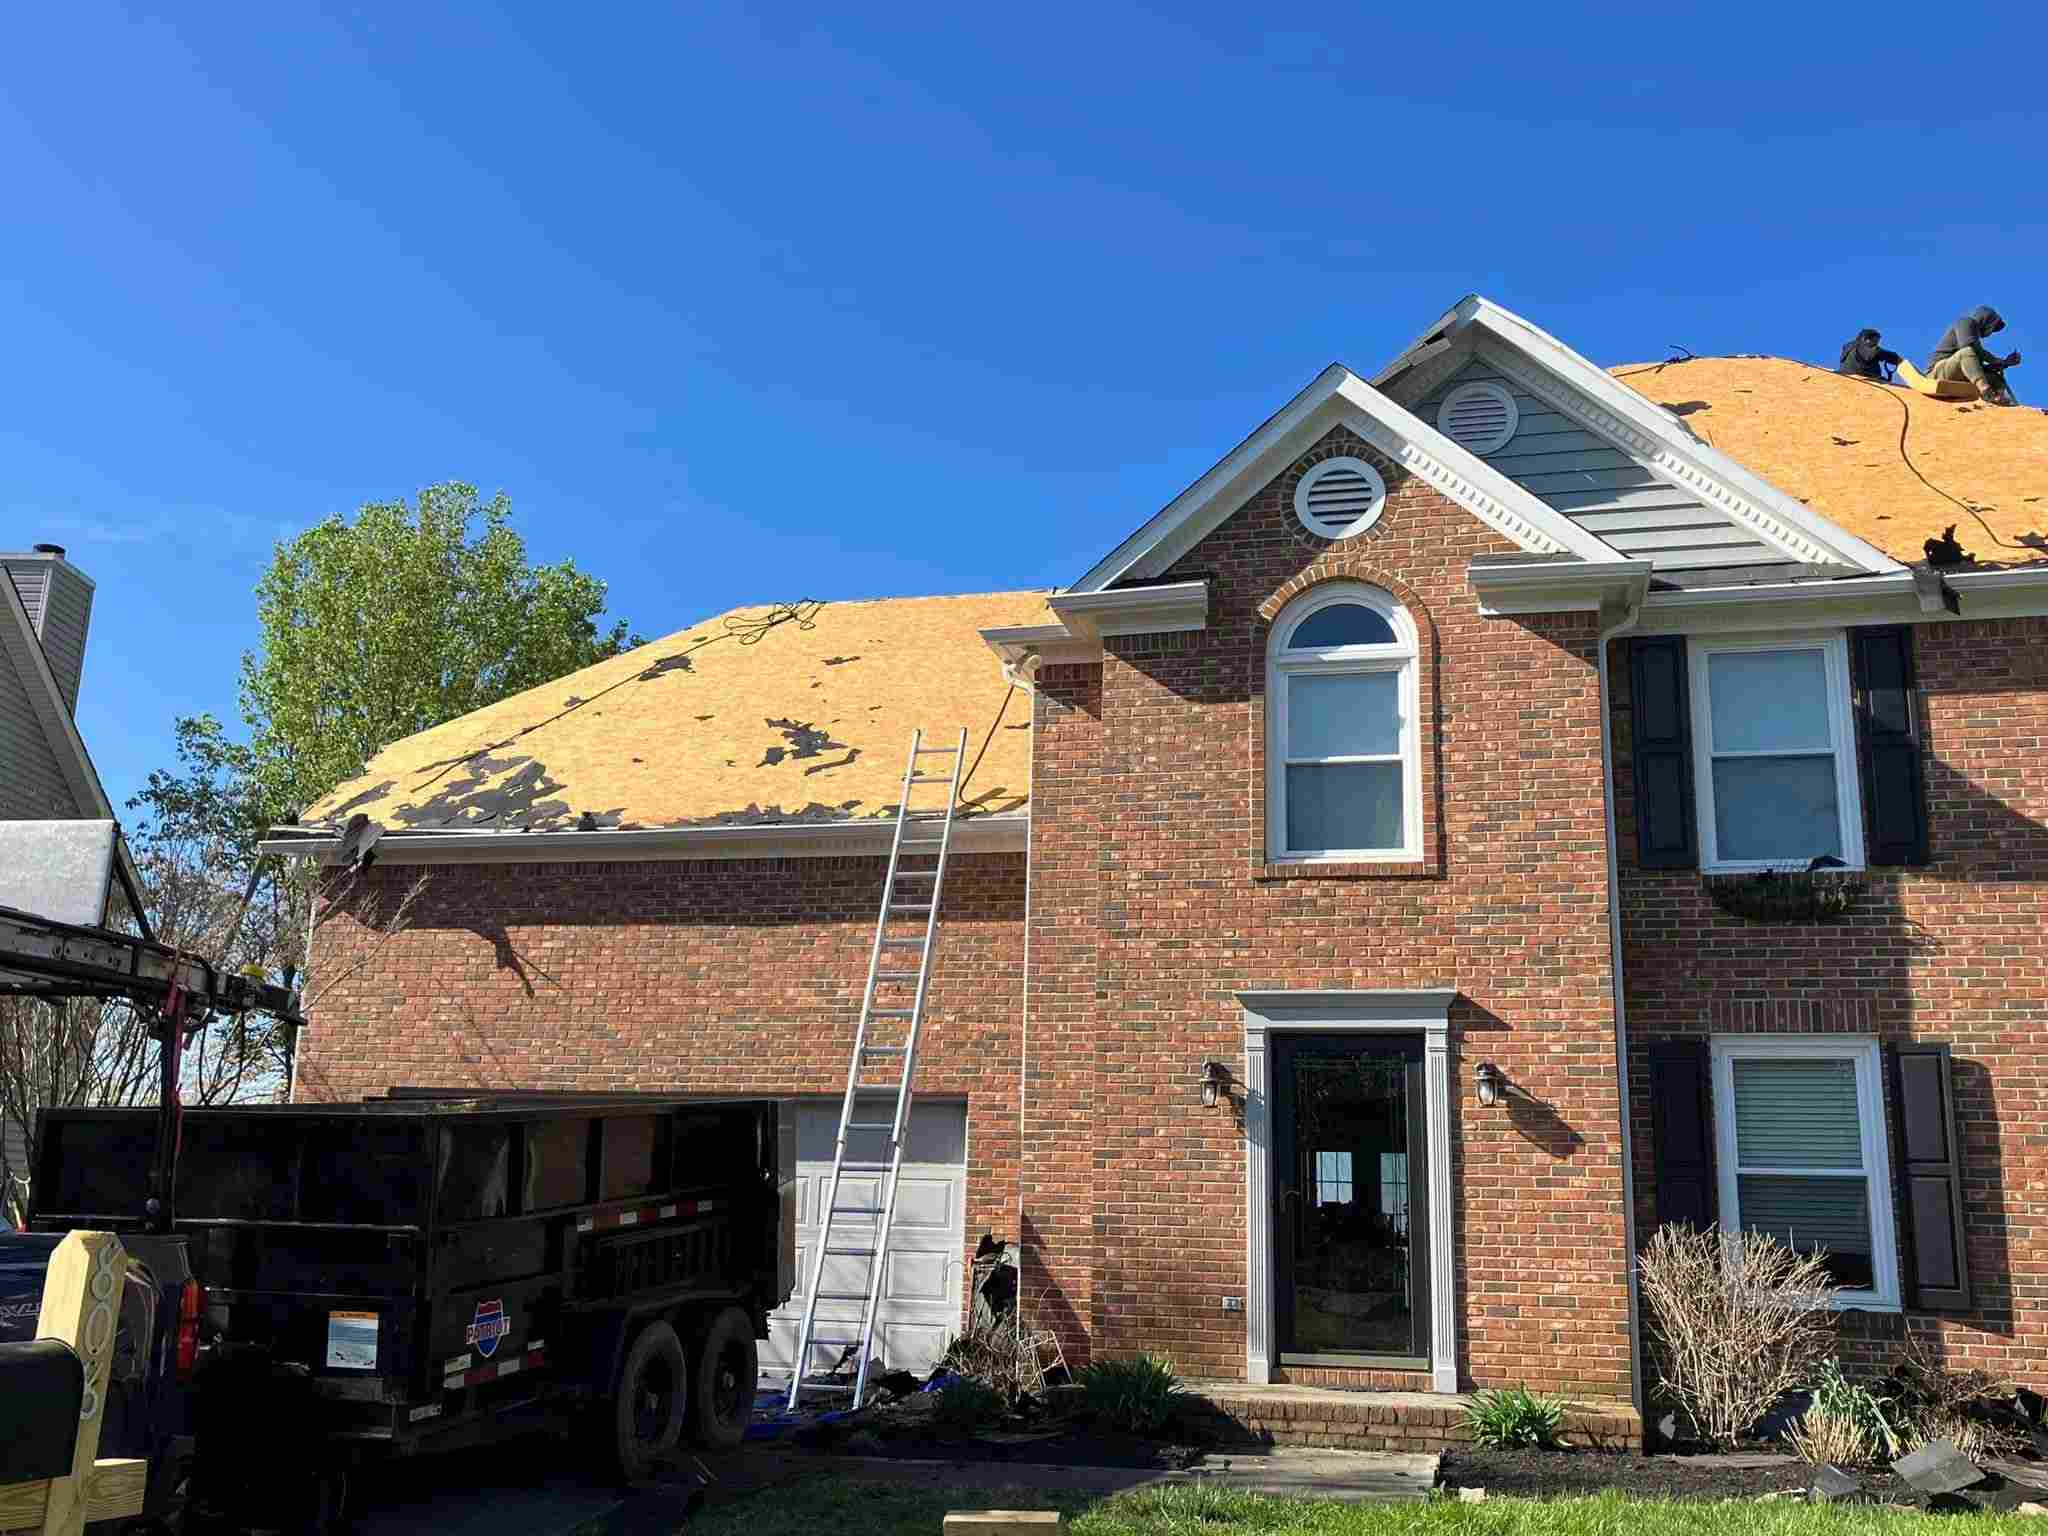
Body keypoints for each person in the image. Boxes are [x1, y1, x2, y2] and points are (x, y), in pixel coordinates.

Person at [1927, 305, 2021, 405]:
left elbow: (1973, 366)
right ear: (1986, 320)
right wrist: (1997, 360)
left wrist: (2004, 364)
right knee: (1967, 352)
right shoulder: (1966, 322)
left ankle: (2002, 399)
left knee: (1994, 376)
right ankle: (1987, 393)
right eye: (1992, 328)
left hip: (1957, 372)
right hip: (1938, 372)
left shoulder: (1974, 338)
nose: (1990, 332)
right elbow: (1969, 348)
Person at [1838, 328, 1903, 380]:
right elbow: (1877, 352)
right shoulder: (1861, 346)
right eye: (1875, 342)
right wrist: (1896, 358)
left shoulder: (1848, 346)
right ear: (1866, 339)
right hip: (1863, 379)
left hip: (1846, 377)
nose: (1876, 345)